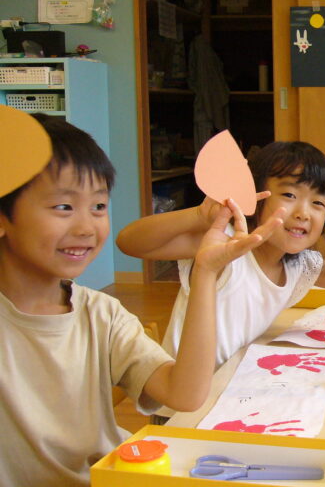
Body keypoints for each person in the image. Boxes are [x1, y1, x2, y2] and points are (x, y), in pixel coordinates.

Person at [0, 113, 281, 487]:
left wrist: (206, 274)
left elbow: (184, 393)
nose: (87, 227)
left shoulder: (101, 315)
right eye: (63, 207)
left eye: (99, 206)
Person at [117, 140, 325, 369]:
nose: (303, 212)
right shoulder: (225, 249)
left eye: (317, 203)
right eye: (289, 194)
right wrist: (198, 216)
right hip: (179, 405)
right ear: (255, 196)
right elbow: (130, 242)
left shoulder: (299, 266)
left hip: (231, 389)